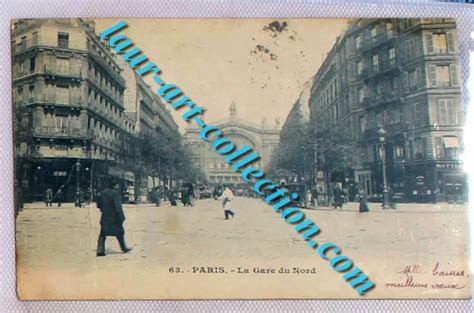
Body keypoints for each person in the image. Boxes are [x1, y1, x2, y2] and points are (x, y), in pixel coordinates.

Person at [96, 181, 132, 257]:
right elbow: (118, 206)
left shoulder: (103, 192)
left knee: (103, 234)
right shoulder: (116, 193)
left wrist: (103, 209)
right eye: (118, 185)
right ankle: (124, 248)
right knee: (120, 233)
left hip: (105, 216)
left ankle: (100, 250)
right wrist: (121, 217)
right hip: (115, 217)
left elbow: (98, 204)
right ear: (115, 185)